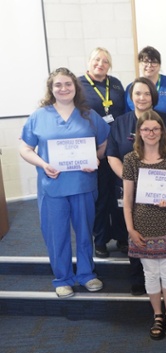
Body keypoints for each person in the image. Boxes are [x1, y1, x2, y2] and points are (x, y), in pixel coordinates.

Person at [20, 67, 110, 298]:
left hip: (83, 184)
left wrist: (96, 159)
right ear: (51, 89)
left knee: (84, 232)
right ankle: (62, 277)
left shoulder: (89, 115)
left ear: (75, 87)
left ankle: (86, 274)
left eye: (68, 84)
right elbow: (25, 148)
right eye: (58, 85)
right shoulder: (39, 116)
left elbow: (104, 142)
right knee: (56, 233)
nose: (63, 89)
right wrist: (42, 164)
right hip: (53, 186)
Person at [107, 77, 166, 296]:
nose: (142, 98)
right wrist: (129, 178)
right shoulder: (120, 122)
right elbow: (112, 155)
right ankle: (137, 279)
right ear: (130, 97)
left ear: (153, 96)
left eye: (146, 93)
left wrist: (164, 179)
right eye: (137, 94)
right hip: (131, 187)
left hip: (163, 191)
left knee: (164, 231)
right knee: (135, 231)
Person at [122, 110, 166, 340]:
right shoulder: (131, 159)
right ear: (139, 132)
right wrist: (130, 229)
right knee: (150, 274)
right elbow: (127, 199)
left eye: (155, 129)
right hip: (142, 226)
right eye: (146, 129)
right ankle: (157, 315)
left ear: (162, 131)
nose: (151, 133)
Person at [125, 46, 166, 234]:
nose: (149, 65)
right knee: (148, 198)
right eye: (145, 61)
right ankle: (147, 237)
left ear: (159, 64)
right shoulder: (131, 88)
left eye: (153, 61)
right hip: (144, 154)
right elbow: (129, 117)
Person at [78, 47, 127, 258]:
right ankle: (100, 240)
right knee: (99, 197)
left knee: (120, 195)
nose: (100, 64)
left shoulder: (115, 84)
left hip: (116, 147)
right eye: (97, 60)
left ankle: (122, 237)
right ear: (89, 62)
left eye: (105, 61)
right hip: (94, 149)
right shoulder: (78, 85)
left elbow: (123, 113)